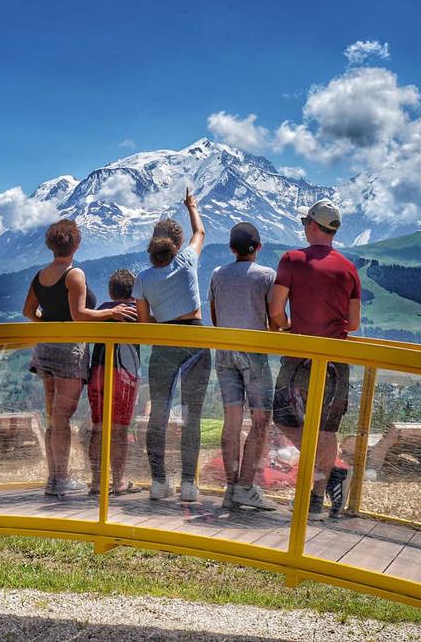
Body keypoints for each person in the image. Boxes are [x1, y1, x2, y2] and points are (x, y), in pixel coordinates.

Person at [22, 219, 136, 496]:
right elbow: (79, 315)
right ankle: (61, 479)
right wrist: (112, 312)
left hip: (45, 349)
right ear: (77, 243)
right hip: (69, 351)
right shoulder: (74, 275)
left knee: (54, 417)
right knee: (63, 416)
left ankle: (54, 477)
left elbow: (28, 312)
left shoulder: (40, 275)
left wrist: (49, 327)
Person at [268, 199, 361, 521]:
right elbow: (355, 323)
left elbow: (277, 311)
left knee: (282, 416)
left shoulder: (292, 259)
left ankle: (326, 475)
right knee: (327, 429)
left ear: (311, 226)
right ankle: (317, 496)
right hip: (337, 360)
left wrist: (289, 327)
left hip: (298, 358)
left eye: (304, 223)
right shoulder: (349, 268)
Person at [134, 188, 212, 502]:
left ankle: (158, 481)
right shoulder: (187, 262)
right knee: (193, 414)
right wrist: (191, 205)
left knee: (159, 414)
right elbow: (200, 231)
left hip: (164, 342)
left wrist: (163, 318)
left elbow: (143, 323)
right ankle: (189, 485)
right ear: (176, 245)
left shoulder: (142, 278)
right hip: (195, 340)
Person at [209, 222, 277, 510]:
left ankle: (230, 486)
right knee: (261, 419)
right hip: (254, 351)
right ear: (259, 247)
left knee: (232, 421)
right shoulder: (267, 276)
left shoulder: (217, 274)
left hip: (224, 352)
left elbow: (214, 316)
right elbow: (274, 320)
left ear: (231, 249)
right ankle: (246, 486)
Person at [87, 269, 142, 495]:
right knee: (119, 430)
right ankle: (118, 481)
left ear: (110, 291)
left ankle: (97, 482)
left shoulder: (101, 310)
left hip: (98, 371)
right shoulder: (135, 312)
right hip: (124, 374)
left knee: (99, 428)